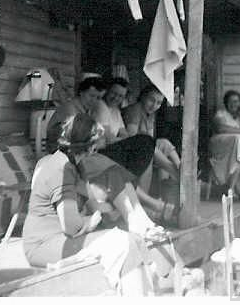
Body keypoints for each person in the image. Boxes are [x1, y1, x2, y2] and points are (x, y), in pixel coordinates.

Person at [23, 113, 167, 295]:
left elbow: (90, 203)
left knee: (135, 240)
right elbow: (71, 227)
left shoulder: (68, 163)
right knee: (122, 243)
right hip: (45, 245)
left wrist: (100, 211)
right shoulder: (62, 169)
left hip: (57, 239)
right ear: (90, 148)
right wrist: (90, 221)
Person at [94, 78, 178, 225]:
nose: (116, 98)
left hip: (117, 149)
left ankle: (176, 170)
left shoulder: (115, 110)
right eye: (114, 93)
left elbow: (124, 133)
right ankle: (175, 171)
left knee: (151, 145)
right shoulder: (102, 107)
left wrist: (128, 141)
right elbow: (108, 138)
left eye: (121, 96)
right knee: (147, 145)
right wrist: (129, 142)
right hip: (104, 152)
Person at [46, 77, 107, 154]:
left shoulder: (88, 110)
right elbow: (78, 139)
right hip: (58, 153)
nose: (94, 100)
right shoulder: (70, 109)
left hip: (75, 151)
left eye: (98, 98)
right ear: (81, 92)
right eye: (91, 96)